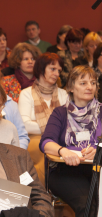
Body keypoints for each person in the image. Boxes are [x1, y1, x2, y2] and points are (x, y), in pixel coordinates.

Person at [40, 65, 100, 216]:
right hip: (65, 171)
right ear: (71, 87)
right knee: (88, 206)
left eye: (93, 83)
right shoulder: (60, 113)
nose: (89, 87)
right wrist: (63, 150)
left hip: (97, 170)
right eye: (83, 83)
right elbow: (46, 142)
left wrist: (99, 151)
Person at [19, 53, 68, 135]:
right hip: (33, 145)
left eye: (59, 70)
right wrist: (57, 126)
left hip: (60, 143)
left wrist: (37, 123)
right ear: (41, 69)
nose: (57, 74)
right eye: (53, 69)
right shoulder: (26, 94)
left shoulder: (63, 94)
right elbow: (25, 125)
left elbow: (69, 123)